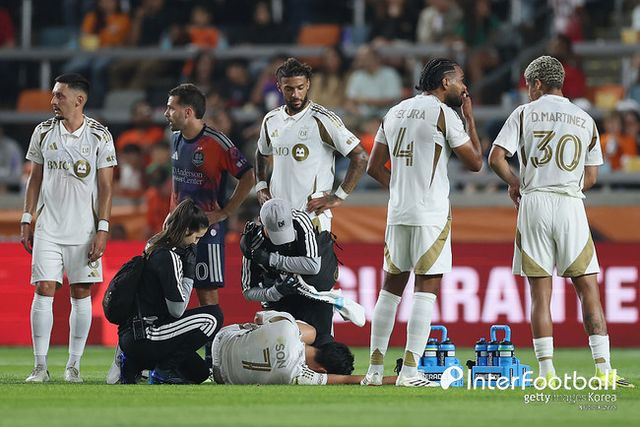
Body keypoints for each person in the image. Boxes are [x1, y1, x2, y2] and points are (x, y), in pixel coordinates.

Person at [488, 55, 633, 388]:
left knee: (541, 294)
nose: (528, 91)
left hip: (534, 202)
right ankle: (603, 371)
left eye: (529, 85)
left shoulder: (523, 114)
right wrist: (566, 185)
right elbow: (592, 177)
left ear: (537, 83)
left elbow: (496, 158)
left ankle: (547, 373)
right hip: (570, 204)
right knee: (588, 289)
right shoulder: (585, 119)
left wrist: (514, 182)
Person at [363, 58, 483, 387]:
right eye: (460, 80)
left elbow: (373, 167)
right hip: (430, 215)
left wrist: (401, 189)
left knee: (389, 291)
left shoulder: (395, 111)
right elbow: (475, 163)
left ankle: (374, 371)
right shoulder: (444, 113)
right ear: (445, 83)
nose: (464, 87)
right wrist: (470, 120)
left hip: (397, 213)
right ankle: (409, 372)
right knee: (425, 292)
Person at [21, 73, 117, 383]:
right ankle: (39, 366)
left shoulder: (100, 136)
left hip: (84, 229)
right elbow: (34, 178)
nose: (53, 101)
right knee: (44, 288)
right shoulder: (42, 132)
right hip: (48, 226)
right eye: (53, 95)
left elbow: (106, 187)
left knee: (81, 292)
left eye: (59, 95)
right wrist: (27, 218)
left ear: (79, 100)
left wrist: (103, 229)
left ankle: (73, 366)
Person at [165, 83, 254, 364]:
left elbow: (248, 176)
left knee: (207, 294)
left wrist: (226, 212)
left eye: (171, 108)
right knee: (171, 293)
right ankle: (172, 356)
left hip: (207, 231)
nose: (166, 113)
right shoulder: (176, 139)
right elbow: (178, 183)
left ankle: (213, 359)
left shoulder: (218, 143)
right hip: (177, 231)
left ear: (188, 112)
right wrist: (171, 215)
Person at [112, 199, 224, 384]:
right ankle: (162, 371)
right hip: (147, 334)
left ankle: (133, 364)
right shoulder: (168, 256)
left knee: (199, 373)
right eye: (196, 238)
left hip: (133, 333)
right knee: (213, 317)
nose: (195, 244)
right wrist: (189, 274)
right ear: (186, 230)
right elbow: (177, 310)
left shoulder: (153, 245)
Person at [255, 57, 369, 232]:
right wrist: (261, 186)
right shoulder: (271, 119)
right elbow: (262, 152)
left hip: (312, 215)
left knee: (313, 252)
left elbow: (360, 156)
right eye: (289, 89)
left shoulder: (322, 119)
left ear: (308, 84)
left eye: (300, 88)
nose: (295, 94)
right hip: (279, 214)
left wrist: (338, 196)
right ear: (279, 87)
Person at [240, 198, 338, 346]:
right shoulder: (252, 243)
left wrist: (271, 259)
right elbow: (247, 291)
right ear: (261, 222)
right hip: (278, 299)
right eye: (275, 232)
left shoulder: (300, 220)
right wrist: (274, 292)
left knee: (324, 345)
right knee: (282, 347)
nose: (283, 239)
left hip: (312, 292)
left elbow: (313, 265)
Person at [212, 310, 395, 385]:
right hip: (221, 375)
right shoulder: (298, 376)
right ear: (322, 370)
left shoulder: (289, 327)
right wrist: (397, 378)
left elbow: (258, 317)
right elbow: (349, 380)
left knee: (310, 332)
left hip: (220, 340)